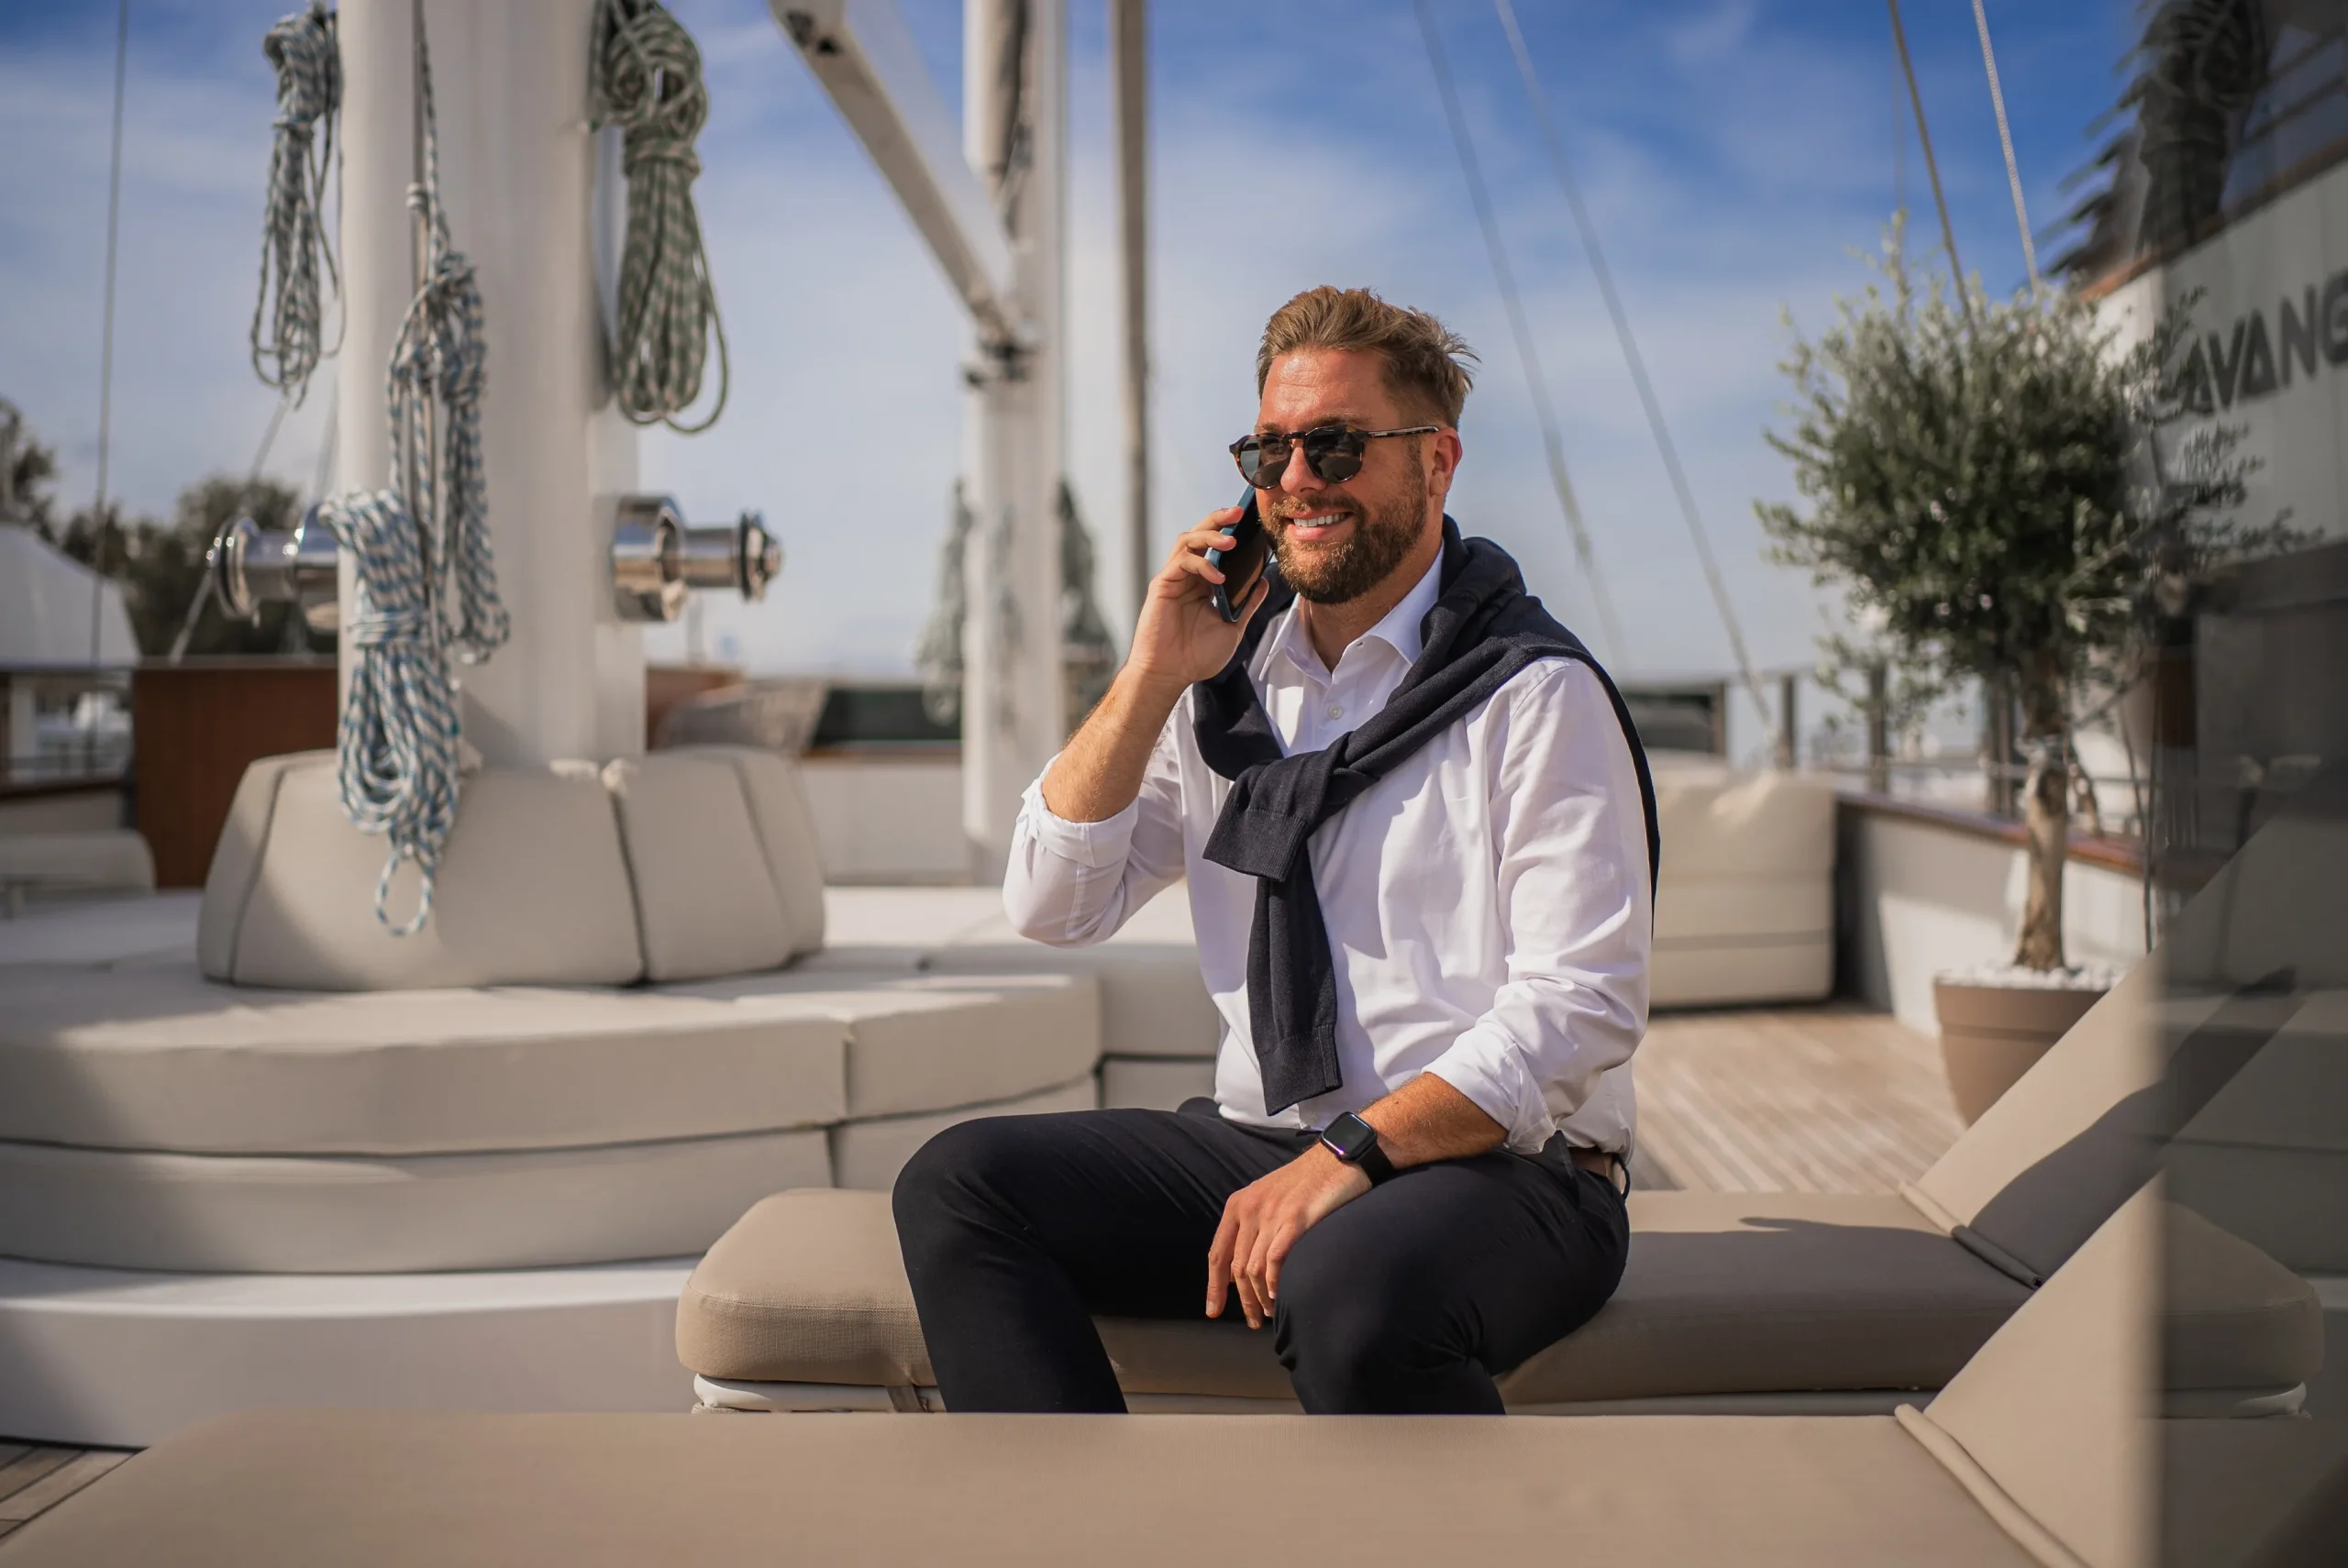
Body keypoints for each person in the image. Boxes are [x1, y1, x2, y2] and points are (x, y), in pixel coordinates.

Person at [893, 285, 1658, 1415]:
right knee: (960, 1187)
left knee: (1347, 1290)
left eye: (1336, 446)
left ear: (1436, 461)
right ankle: (1071, 1511)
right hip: (1269, 1145)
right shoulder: (1221, 692)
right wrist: (1151, 673)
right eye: (1270, 451)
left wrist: (1350, 1156)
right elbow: (1052, 904)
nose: (1297, 479)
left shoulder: (1533, 693)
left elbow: (1579, 1005)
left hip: (1506, 1171)